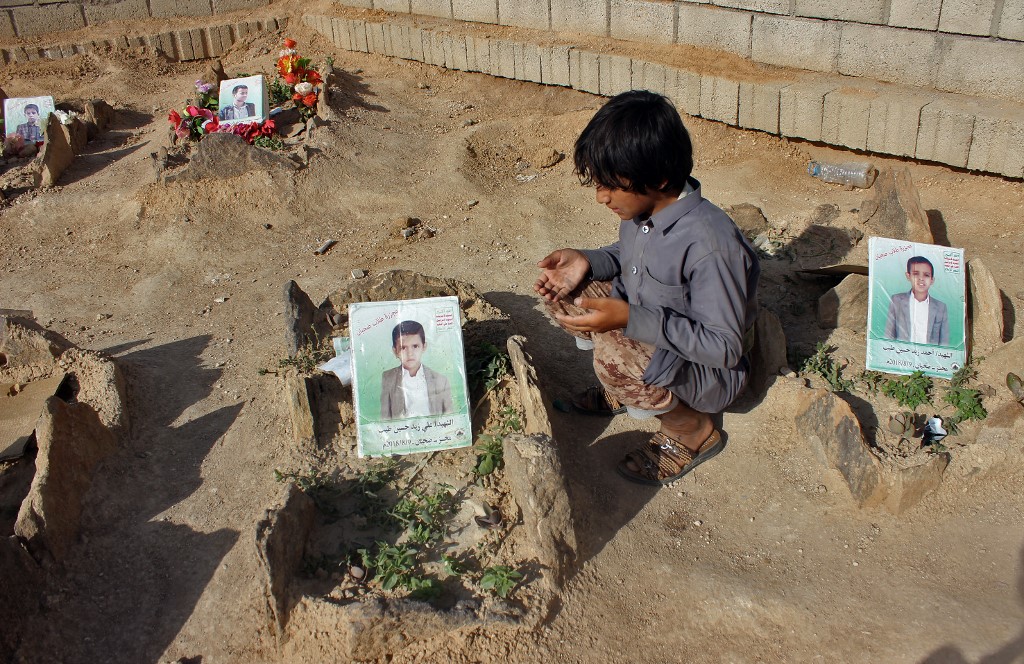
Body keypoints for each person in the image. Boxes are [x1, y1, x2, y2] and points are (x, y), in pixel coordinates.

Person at [535, 90, 760, 486]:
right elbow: (629, 254)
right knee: (566, 291)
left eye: (611, 185)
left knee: (615, 354)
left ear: (656, 178)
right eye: (598, 183)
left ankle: (690, 430)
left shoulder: (711, 246)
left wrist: (628, 319)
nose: (601, 197)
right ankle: (626, 388)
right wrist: (586, 260)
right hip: (657, 333)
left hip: (708, 371)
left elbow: (724, 348)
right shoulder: (645, 209)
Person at [380, 320, 454, 419]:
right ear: (395, 351)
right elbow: (385, 418)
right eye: (403, 348)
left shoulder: (440, 380)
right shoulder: (388, 378)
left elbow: (450, 415)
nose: (410, 353)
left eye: (415, 346)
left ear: (424, 347)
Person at [884, 256, 949, 345]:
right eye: (916, 274)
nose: (921, 279)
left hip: (930, 356)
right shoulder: (897, 301)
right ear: (908, 276)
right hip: (902, 355)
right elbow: (889, 335)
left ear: (932, 280)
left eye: (926, 275)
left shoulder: (940, 307)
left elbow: (944, 341)